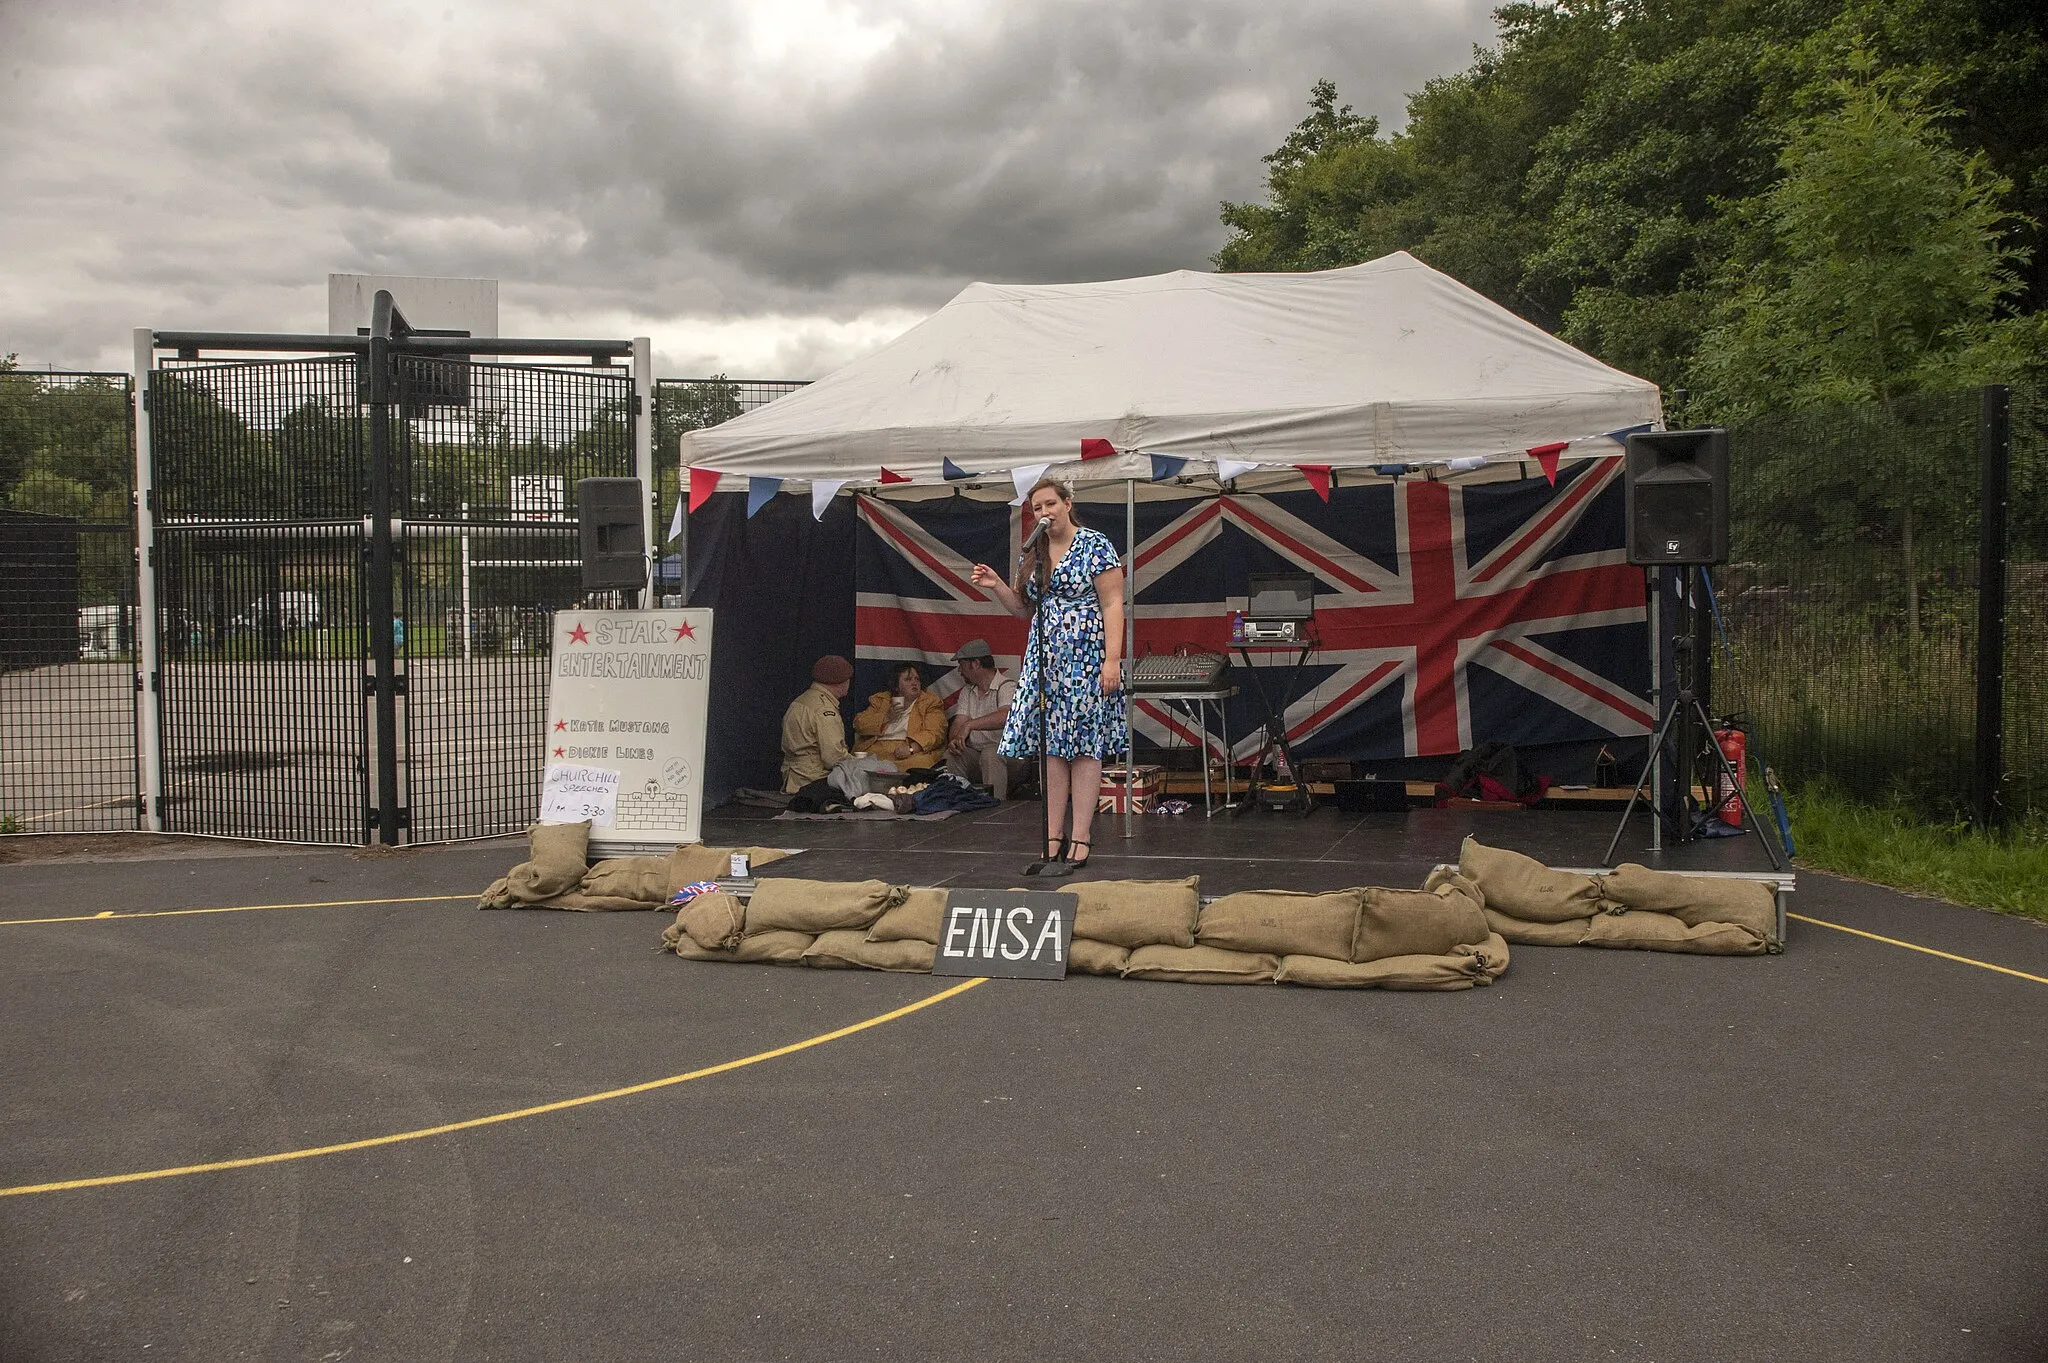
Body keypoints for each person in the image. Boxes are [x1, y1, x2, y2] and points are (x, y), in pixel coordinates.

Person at [970, 478, 1126, 873]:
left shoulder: (1094, 544)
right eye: (1037, 508)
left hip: (1087, 656)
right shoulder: (1035, 551)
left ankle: (1082, 836)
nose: (1044, 513)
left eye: (1050, 504)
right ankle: (1053, 835)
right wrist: (998, 587)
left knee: (1085, 748)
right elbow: (1024, 611)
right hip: (1046, 660)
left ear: (1068, 503)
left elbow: (1112, 604)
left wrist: (1112, 660)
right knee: (1052, 749)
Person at [943, 639, 1028, 799]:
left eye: (961, 664)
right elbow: (959, 722)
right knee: (952, 756)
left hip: (1011, 759)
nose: (959, 670)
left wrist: (971, 725)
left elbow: (1006, 716)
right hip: (978, 754)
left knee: (991, 754)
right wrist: (955, 740)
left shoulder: (1007, 686)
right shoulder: (968, 691)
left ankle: (994, 807)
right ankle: (956, 802)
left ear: (975, 663)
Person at [852, 661, 949, 770]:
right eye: (908, 679)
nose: (914, 683)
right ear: (896, 686)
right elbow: (859, 724)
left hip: (909, 750)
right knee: (857, 764)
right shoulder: (880, 700)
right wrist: (887, 717)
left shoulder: (931, 702)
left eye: (917, 679)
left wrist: (911, 749)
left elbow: (935, 733)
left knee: (922, 764)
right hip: (877, 749)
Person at [780, 655, 853, 793]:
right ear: (839, 681)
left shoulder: (800, 701)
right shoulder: (824, 711)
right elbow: (833, 758)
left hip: (793, 779)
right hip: (814, 783)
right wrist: (860, 764)